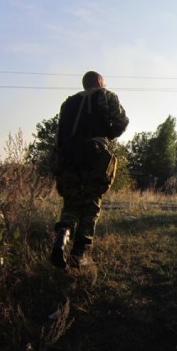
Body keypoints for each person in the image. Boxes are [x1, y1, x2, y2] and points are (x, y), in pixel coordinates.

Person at [51, 70, 129, 268]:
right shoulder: (106, 95)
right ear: (99, 82)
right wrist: (108, 135)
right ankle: (79, 254)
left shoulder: (68, 103)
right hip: (94, 153)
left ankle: (63, 235)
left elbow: (59, 134)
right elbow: (121, 121)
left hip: (68, 156)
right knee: (91, 203)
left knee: (72, 202)